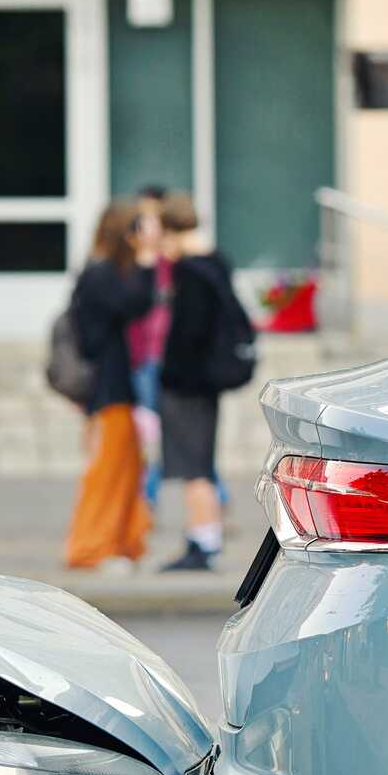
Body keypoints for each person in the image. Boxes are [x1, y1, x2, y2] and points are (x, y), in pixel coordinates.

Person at [61, 200, 160, 573]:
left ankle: (121, 543)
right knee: (107, 471)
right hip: (106, 390)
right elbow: (135, 305)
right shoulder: (100, 273)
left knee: (126, 468)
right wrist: (148, 262)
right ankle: (90, 548)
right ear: (126, 233)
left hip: (114, 388)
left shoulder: (102, 272)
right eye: (141, 227)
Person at [156, 193, 249, 572]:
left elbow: (188, 335)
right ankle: (204, 538)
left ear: (170, 231)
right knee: (201, 463)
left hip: (189, 385)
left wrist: (170, 374)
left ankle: (202, 541)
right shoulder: (216, 263)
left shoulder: (191, 272)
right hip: (209, 382)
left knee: (192, 467)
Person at [127, 185, 171, 511]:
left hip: (165, 356)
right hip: (142, 357)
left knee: (174, 429)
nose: (147, 226)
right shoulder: (133, 264)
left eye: (153, 218)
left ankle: (217, 499)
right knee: (149, 433)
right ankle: (147, 498)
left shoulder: (169, 263)